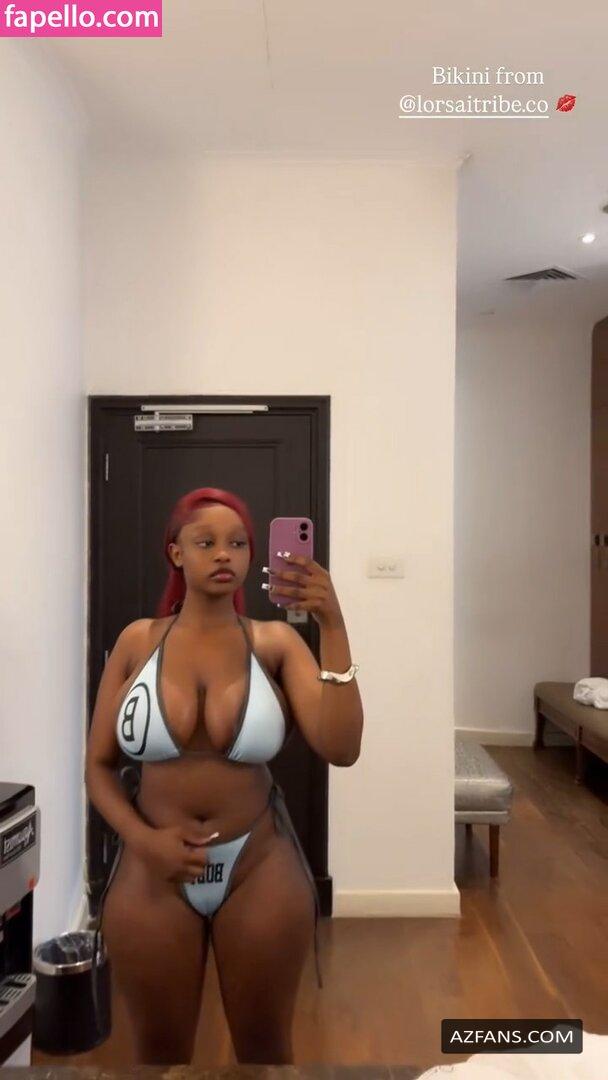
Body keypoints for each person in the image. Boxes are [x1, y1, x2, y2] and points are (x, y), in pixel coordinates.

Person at [85, 486, 363, 1065]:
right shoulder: (137, 641)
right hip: (151, 872)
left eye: (238, 544)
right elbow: (98, 767)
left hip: (259, 866)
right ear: (175, 552)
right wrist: (143, 841)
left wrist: (332, 623)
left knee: (266, 1053)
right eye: (205, 542)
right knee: (159, 1057)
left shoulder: (276, 643)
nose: (223, 554)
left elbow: (341, 748)